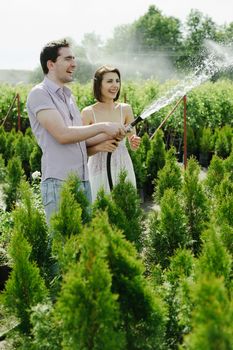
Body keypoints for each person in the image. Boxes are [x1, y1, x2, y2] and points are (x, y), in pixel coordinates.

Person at [26, 40, 125, 224]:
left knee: (83, 246)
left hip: (83, 181)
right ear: (51, 64)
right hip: (59, 183)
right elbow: (63, 135)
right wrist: (104, 126)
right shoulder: (40, 94)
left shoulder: (69, 97)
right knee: (64, 245)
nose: (74, 63)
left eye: (74, 58)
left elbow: (80, 140)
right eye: (68, 59)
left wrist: (116, 132)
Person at [81, 65, 141, 202]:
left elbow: (133, 141)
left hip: (123, 164)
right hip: (98, 167)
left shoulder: (125, 109)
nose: (115, 85)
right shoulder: (88, 113)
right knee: (100, 209)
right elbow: (81, 149)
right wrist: (99, 147)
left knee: (125, 208)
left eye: (117, 81)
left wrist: (134, 142)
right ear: (98, 84)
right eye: (109, 81)